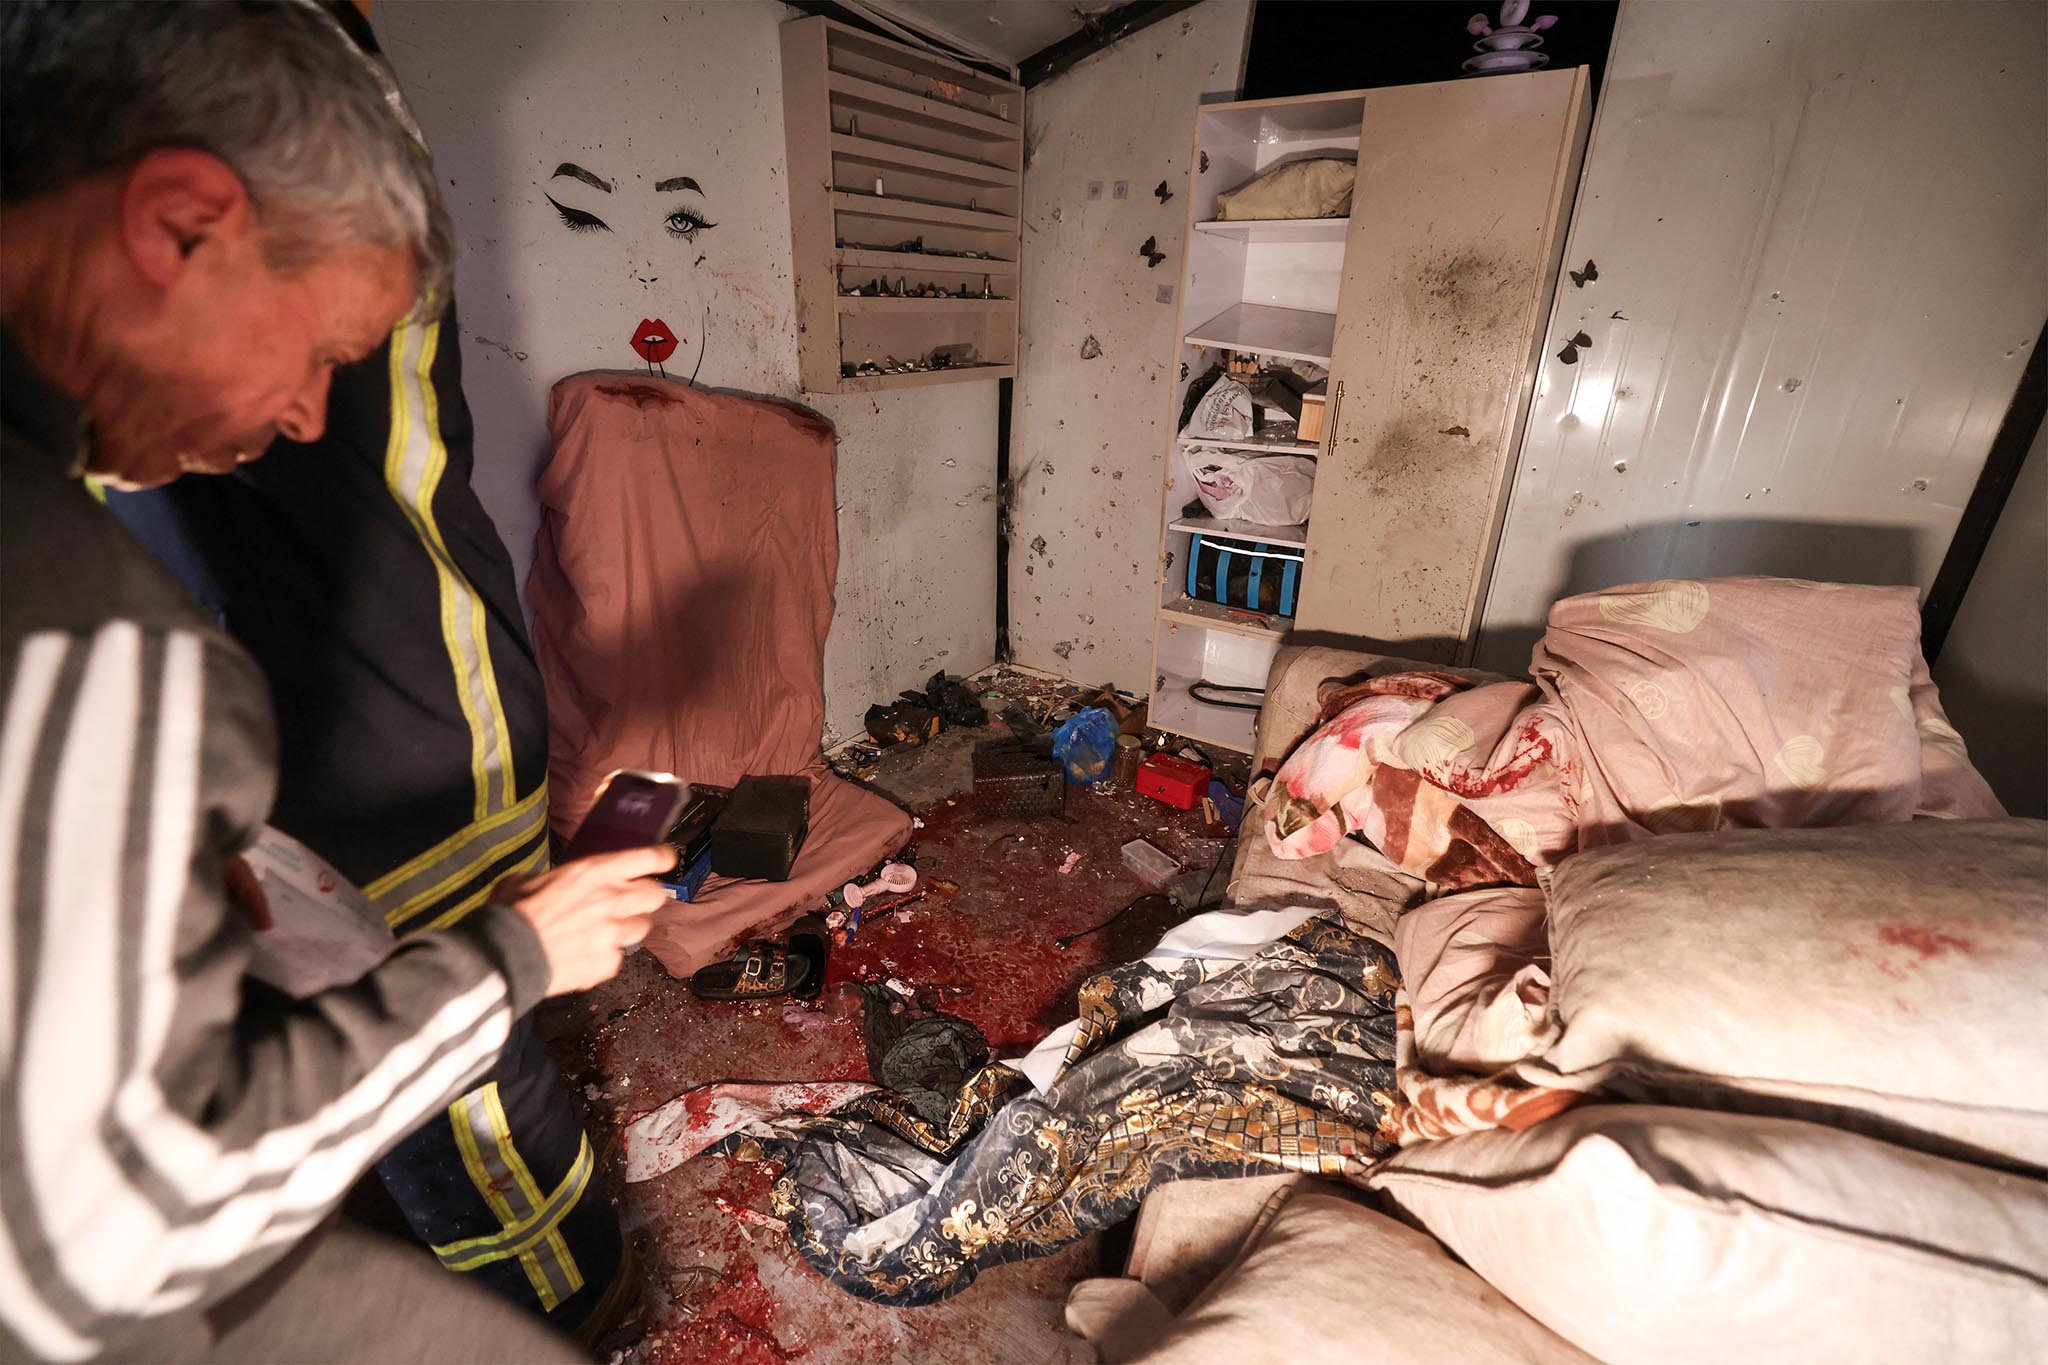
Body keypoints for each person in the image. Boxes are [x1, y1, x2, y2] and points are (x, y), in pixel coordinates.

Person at [0, 4, 669, 1361]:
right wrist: (522, 951)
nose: (304, 417)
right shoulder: (98, 639)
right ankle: (584, 1307)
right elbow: (114, 1236)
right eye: (316, 354)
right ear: (181, 221)